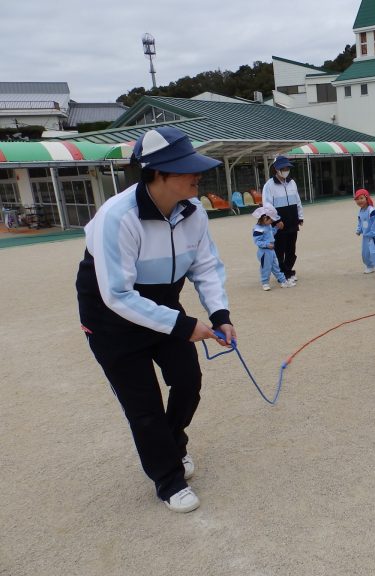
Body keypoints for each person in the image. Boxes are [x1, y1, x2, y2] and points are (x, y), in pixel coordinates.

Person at [75, 126, 236, 513]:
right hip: (109, 316)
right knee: (143, 404)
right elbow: (117, 294)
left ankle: (173, 444)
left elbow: (207, 266)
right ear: (156, 174)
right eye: (185, 169)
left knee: (188, 381)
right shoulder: (117, 217)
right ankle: (168, 479)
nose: (197, 175)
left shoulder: (193, 212)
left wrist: (219, 314)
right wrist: (183, 326)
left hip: (162, 303)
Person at [261, 155, 303, 282]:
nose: (285, 170)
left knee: (291, 249)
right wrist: (277, 220)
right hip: (279, 225)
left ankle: (289, 271)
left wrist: (300, 216)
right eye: (283, 168)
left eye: (287, 168)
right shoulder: (269, 185)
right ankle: (282, 274)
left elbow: (298, 201)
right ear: (276, 169)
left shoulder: (292, 183)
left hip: (292, 221)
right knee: (280, 250)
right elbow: (267, 205)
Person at [252, 203, 295, 291]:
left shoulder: (267, 226)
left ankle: (283, 281)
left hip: (271, 251)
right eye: (271, 220)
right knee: (266, 268)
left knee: (276, 266)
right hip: (264, 252)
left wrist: (276, 228)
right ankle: (265, 283)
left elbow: (271, 233)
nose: (272, 221)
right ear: (264, 218)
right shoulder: (258, 229)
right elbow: (257, 241)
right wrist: (267, 245)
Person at [354, 188, 375, 277]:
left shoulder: (372, 210)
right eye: (357, 199)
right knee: (365, 254)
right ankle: (370, 266)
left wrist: (373, 232)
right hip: (365, 236)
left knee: (373, 253)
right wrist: (359, 230)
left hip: (373, 236)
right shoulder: (361, 211)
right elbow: (360, 221)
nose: (359, 201)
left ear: (366, 198)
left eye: (361, 198)